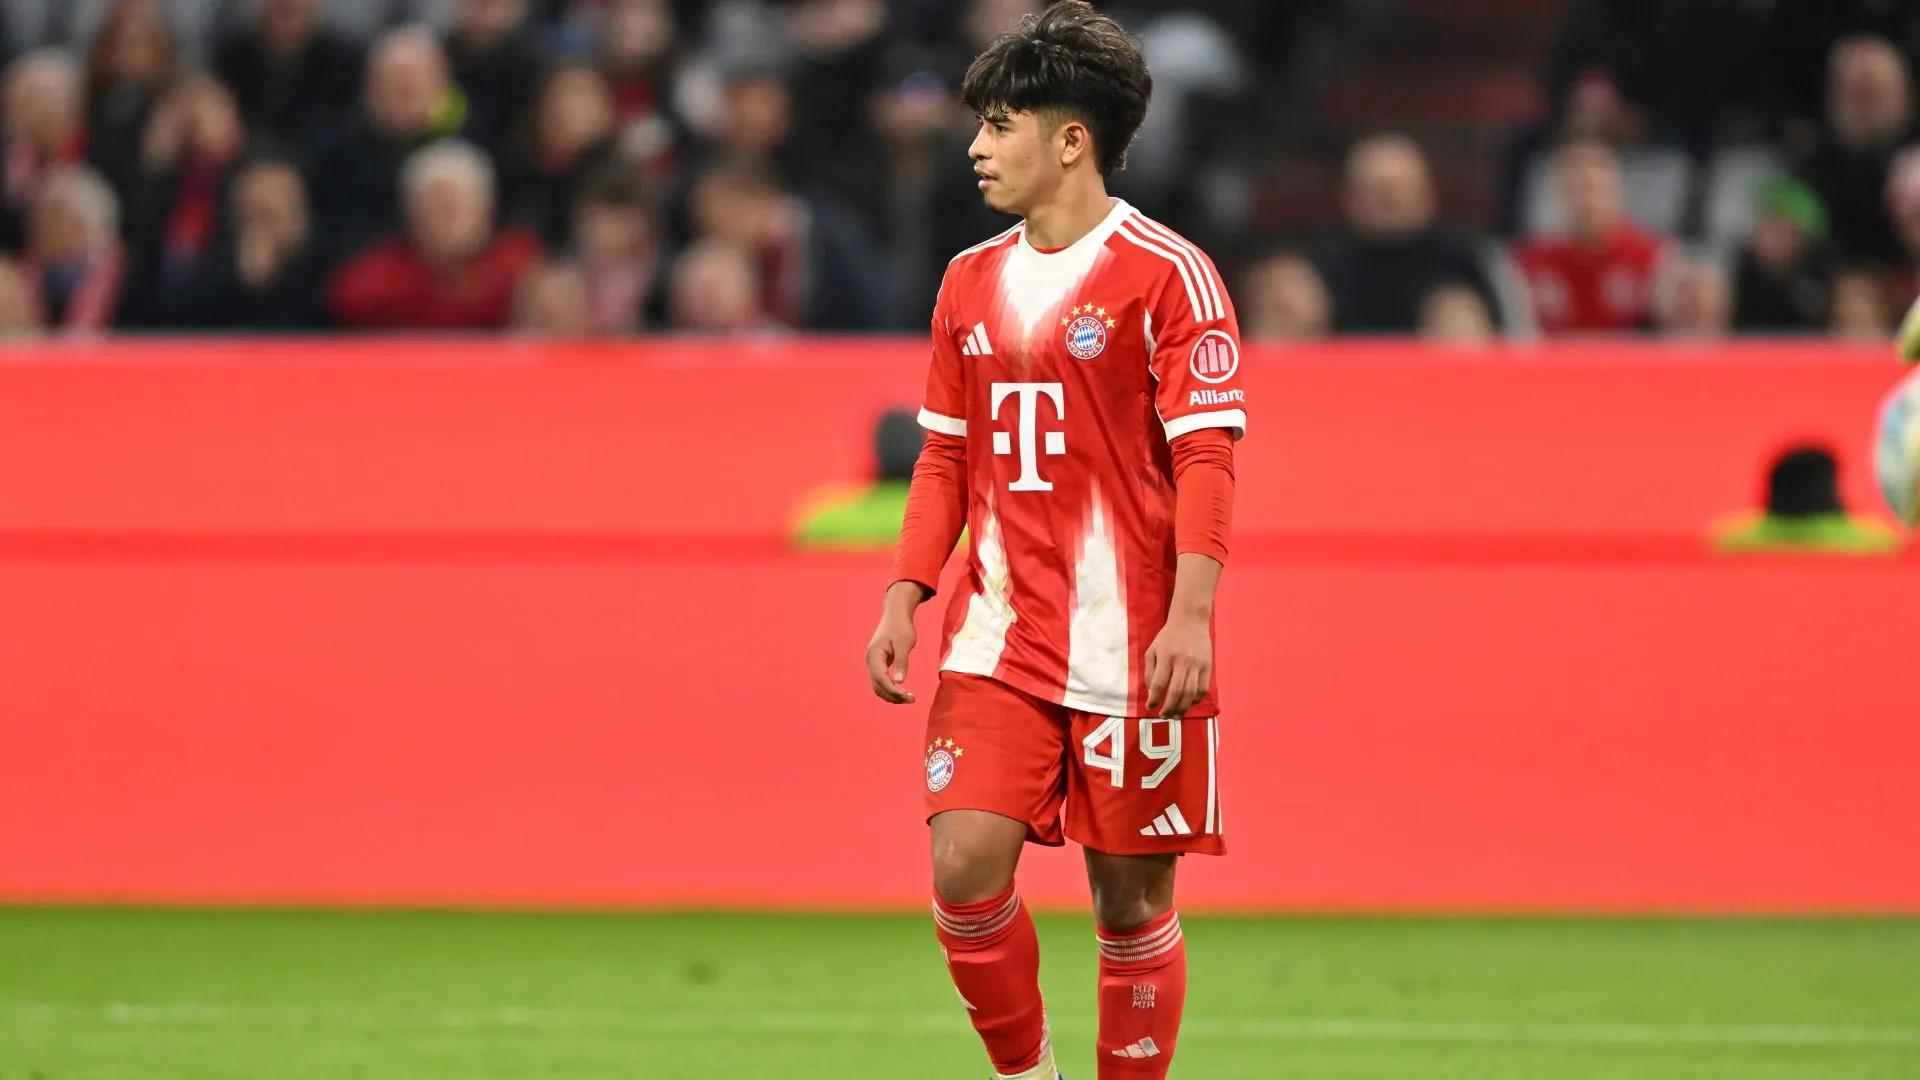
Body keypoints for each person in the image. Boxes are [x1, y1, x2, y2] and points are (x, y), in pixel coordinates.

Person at [861, 5, 1242, 1077]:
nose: (975, 147)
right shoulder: (967, 281)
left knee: (1131, 903)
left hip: (1135, 642)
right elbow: (945, 457)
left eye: (999, 125)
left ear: (1071, 140)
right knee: (963, 867)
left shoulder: (1168, 274)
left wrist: (1192, 617)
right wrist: (905, 592)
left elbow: (1207, 457)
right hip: (1000, 634)